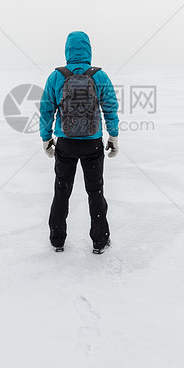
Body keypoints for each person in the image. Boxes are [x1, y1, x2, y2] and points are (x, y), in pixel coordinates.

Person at [39, 31, 120, 254]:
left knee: (61, 192)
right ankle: (100, 242)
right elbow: (110, 107)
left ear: (67, 50)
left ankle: (57, 240)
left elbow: (46, 110)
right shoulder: (99, 76)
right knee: (95, 192)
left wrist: (46, 138)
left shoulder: (57, 76)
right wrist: (113, 136)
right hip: (92, 144)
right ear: (88, 49)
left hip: (65, 143)